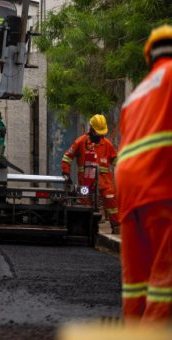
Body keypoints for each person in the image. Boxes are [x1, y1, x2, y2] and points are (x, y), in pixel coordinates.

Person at [116, 24, 172, 323]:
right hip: (162, 184)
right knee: (167, 281)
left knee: (138, 280)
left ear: (149, 56)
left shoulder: (135, 95)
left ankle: (134, 338)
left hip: (130, 192)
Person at [61, 114, 119, 234]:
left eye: (102, 133)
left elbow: (117, 160)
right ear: (91, 130)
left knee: (111, 199)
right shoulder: (80, 142)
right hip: (86, 182)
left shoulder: (107, 144)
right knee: (85, 205)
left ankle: (116, 225)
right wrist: (66, 174)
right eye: (98, 133)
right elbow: (67, 157)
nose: (100, 136)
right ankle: (86, 228)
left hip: (105, 182)